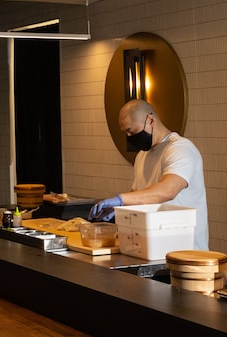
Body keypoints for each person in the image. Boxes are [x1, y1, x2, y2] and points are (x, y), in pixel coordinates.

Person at [89, 99, 209, 250]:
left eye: (132, 131)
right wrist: (121, 210)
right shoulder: (142, 156)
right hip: (155, 250)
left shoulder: (180, 149)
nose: (129, 137)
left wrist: (121, 200)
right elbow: (139, 195)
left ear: (150, 120)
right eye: (125, 133)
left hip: (187, 253)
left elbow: (167, 191)